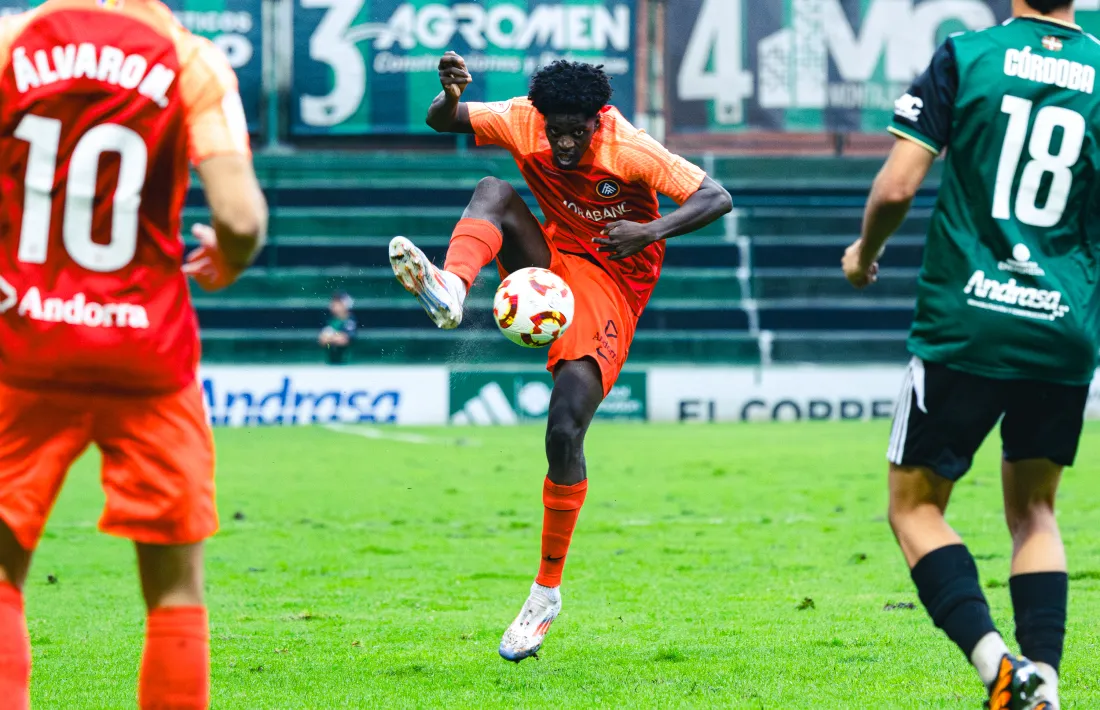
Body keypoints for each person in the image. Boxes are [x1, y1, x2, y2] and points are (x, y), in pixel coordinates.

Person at [390, 54, 732, 662]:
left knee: (564, 426)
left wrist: (648, 232)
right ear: (541, 117)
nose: (566, 141)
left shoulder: (630, 147)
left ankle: (545, 594)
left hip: (613, 278)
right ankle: (451, 289)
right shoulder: (523, 119)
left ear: (598, 119)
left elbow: (716, 197)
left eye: (578, 129)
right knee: (493, 191)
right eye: (557, 129)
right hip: (551, 259)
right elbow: (442, 121)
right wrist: (448, 94)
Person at [0, 0, 267, 706]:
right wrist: (228, 261)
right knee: (175, 592)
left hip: (21, 344)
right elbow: (240, 220)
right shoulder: (191, 58)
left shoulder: (10, 42)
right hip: (146, 354)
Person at [843, 1, 1098, 707]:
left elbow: (897, 184)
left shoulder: (967, 56)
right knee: (1037, 510)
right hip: (1062, 324)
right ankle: (1044, 679)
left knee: (914, 506)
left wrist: (865, 253)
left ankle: (998, 667)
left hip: (968, 322)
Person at [319, 291, 356, 365]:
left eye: (338, 303)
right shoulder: (331, 321)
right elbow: (322, 341)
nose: (333, 305)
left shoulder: (350, 320)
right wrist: (335, 337)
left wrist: (330, 338)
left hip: (345, 362)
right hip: (331, 361)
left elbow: (344, 340)